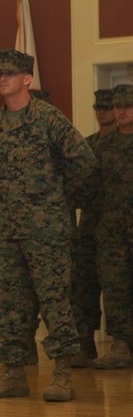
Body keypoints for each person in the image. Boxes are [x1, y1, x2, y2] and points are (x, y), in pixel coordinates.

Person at [0, 49, 95, 402]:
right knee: (11, 304)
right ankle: (13, 374)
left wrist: (59, 197)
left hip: (48, 232)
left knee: (55, 301)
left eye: (10, 74)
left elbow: (85, 162)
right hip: (11, 230)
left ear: (27, 79)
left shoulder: (48, 119)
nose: (2, 78)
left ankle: (61, 375)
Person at [70, 88, 116, 366]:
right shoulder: (86, 146)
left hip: (119, 229)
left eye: (107, 107)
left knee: (118, 287)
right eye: (98, 107)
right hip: (89, 228)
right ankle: (85, 342)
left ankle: (123, 344)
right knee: (84, 287)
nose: (102, 112)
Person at [90, 83, 133, 370]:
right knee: (115, 288)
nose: (120, 111)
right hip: (111, 231)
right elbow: (91, 187)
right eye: (117, 106)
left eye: (127, 106)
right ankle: (121, 344)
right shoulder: (103, 145)